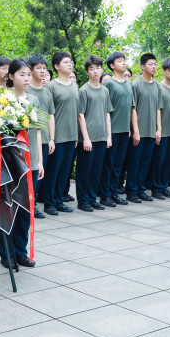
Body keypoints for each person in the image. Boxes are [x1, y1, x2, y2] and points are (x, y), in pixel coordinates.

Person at [0, 58, 43, 268]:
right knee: (8, 207)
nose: (26, 79)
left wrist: (40, 161)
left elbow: (37, 134)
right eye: (21, 75)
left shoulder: (34, 100)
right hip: (9, 162)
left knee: (26, 208)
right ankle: (6, 253)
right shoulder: (2, 100)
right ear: (10, 76)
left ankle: (20, 251)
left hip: (30, 161)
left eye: (28, 74)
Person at [43, 52, 78, 215]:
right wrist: (51, 137)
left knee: (65, 171)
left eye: (70, 62)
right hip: (57, 137)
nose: (69, 64)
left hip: (71, 136)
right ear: (56, 66)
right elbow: (50, 114)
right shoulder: (51, 87)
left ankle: (59, 200)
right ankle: (49, 202)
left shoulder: (73, 85)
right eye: (65, 62)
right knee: (53, 171)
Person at [76, 55, 113, 212]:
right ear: (87, 72)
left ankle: (92, 198)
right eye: (91, 69)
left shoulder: (105, 90)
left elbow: (107, 114)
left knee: (97, 170)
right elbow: (80, 115)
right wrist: (86, 138)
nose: (95, 71)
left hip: (101, 137)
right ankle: (83, 200)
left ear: (102, 69)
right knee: (85, 170)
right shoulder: (83, 90)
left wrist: (109, 136)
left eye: (98, 68)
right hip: (88, 138)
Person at [126, 53, 163, 203]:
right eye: (150, 64)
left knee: (146, 161)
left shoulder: (157, 85)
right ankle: (131, 191)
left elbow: (158, 109)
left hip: (151, 131)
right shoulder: (135, 84)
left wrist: (158, 129)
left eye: (155, 64)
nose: (153, 66)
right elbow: (132, 109)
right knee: (134, 162)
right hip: (139, 131)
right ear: (142, 66)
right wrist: (136, 131)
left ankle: (141, 189)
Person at [99, 52, 132, 207]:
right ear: (112, 66)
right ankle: (105, 195)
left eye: (124, 60)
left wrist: (132, 128)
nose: (123, 63)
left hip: (125, 130)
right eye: (120, 61)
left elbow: (132, 108)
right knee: (109, 164)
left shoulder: (128, 83)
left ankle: (114, 192)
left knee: (118, 165)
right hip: (112, 130)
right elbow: (105, 109)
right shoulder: (109, 84)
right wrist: (107, 132)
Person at [26, 55, 55, 219]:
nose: (43, 71)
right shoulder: (26, 90)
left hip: (44, 139)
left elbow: (51, 115)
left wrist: (52, 138)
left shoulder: (47, 91)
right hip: (29, 139)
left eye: (44, 67)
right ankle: (30, 204)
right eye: (39, 68)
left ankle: (34, 203)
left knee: (40, 174)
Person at [151, 58, 170, 200]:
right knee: (159, 161)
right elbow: (157, 110)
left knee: (169, 160)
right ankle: (156, 188)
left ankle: (164, 186)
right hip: (162, 131)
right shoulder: (158, 87)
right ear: (163, 70)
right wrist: (159, 129)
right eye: (169, 71)